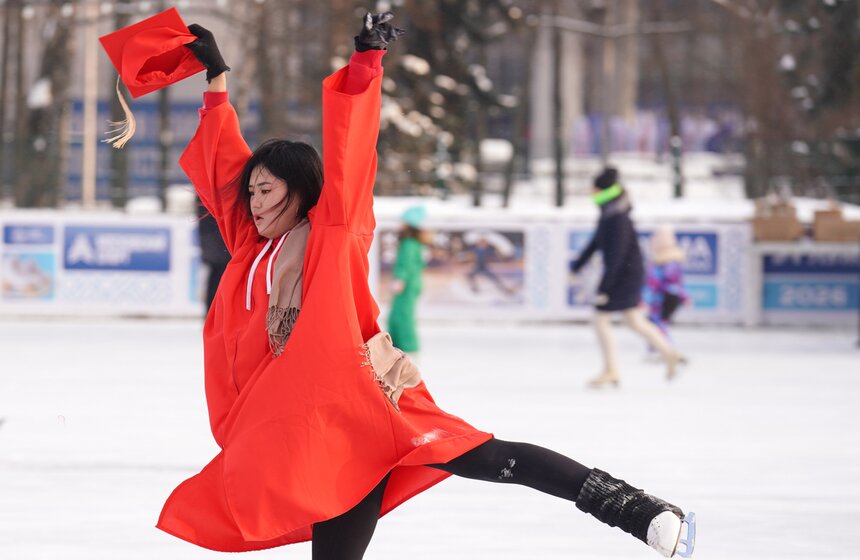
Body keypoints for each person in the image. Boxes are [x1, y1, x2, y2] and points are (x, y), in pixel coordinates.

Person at [155, 14, 695, 559]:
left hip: (358, 407)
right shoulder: (251, 245)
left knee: (485, 457)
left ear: (299, 192)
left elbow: (350, 156)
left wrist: (365, 63)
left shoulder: (332, 237)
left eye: (267, 190)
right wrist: (216, 78)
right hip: (310, 433)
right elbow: (223, 167)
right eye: (251, 192)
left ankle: (640, 511)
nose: (253, 202)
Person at [571, 167, 684, 387]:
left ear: (603, 191)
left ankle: (611, 370)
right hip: (625, 274)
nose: (591, 193)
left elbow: (617, 257)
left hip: (625, 276)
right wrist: (577, 266)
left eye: (594, 189)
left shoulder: (618, 218)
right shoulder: (610, 213)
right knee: (633, 320)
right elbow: (596, 243)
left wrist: (605, 288)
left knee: (601, 319)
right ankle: (669, 354)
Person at [387, 206, 429, 354]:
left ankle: (408, 345)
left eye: (403, 221)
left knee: (403, 314)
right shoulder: (414, 243)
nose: (400, 224)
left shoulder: (409, 244)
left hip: (407, 284)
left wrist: (400, 279)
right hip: (412, 283)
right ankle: (398, 344)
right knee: (399, 313)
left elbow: (406, 264)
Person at [643, 225, 690, 342]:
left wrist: (683, 296)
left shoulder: (670, 262)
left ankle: (664, 347)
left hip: (666, 297)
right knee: (655, 323)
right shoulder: (657, 261)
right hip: (660, 298)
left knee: (658, 323)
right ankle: (659, 346)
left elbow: (671, 282)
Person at [197, 199, 231, 314]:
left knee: (217, 279)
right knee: (217, 279)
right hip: (217, 243)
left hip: (217, 242)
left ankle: (214, 315)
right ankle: (213, 315)